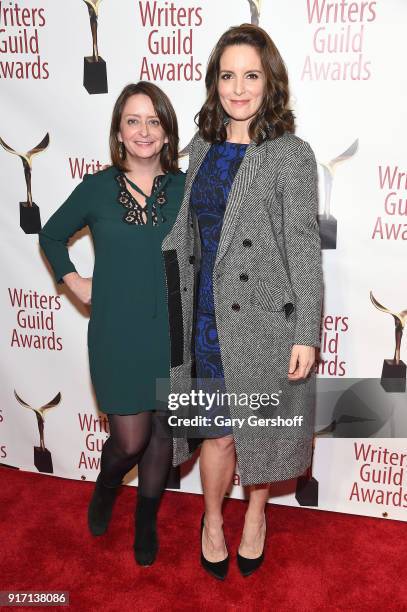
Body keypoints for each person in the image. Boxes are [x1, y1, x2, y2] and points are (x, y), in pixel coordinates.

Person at [161, 24, 323, 579]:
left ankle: (255, 515)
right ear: (214, 83)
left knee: (259, 431)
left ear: (268, 82)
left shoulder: (291, 154)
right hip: (205, 319)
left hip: (262, 322)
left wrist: (307, 330)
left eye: (250, 75)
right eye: (227, 75)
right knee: (217, 431)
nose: (238, 88)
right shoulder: (200, 148)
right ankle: (211, 520)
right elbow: (184, 234)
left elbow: (303, 246)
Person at [39, 82, 185, 566]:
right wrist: (73, 281)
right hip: (117, 333)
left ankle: (145, 519)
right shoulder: (98, 187)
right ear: (119, 133)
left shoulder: (185, 189)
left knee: (164, 433)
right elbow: (52, 234)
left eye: (153, 121)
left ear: (166, 133)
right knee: (129, 441)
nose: (144, 131)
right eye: (132, 121)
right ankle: (106, 488)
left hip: (173, 333)